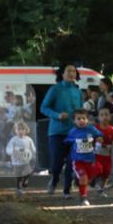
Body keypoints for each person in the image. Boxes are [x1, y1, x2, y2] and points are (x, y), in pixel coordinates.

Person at [42, 64, 82, 197]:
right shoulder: (55, 89)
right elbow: (44, 108)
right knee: (57, 163)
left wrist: (84, 123)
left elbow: (81, 112)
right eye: (68, 71)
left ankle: (67, 190)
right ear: (62, 74)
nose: (71, 73)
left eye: (74, 71)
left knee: (73, 161)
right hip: (57, 132)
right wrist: (57, 115)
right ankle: (54, 180)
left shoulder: (78, 92)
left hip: (74, 132)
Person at [65, 108, 104, 207]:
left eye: (83, 118)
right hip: (78, 160)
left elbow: (99, 135)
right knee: (83, 178)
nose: (81, 121)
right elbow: (67, 141)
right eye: (78, 119)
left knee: (99, 169)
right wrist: (72, 141)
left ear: (87, 120)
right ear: (74, 121)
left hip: (90, 159)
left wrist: (99, 138)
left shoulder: (91, 129)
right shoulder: (73, 131)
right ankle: (83, 197)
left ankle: (87, 180)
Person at [6, 121, 37, 196]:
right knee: (18, 176)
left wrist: (33, 153)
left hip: (26, 161)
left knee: (29, 172)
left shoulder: (28, 139)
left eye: (22, 129)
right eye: (18, 129)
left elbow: (33, 148)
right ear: (15, 130)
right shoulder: (13, 140)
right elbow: (8, 148)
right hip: (16, 162)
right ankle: (18, 189)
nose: (20, 131)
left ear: (26, 130)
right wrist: (12, 151)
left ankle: (24, 181)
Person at [94, 106, 113, 196]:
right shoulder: (95, 128)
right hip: (96, 155)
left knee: (106, 173)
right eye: (102, 115)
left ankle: (102, 189)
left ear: (110, 116)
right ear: (98, 117)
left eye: (106, 115)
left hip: (107, 155)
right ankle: (96, 183)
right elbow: (89, 139)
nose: (104, 117)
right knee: (98, 169)